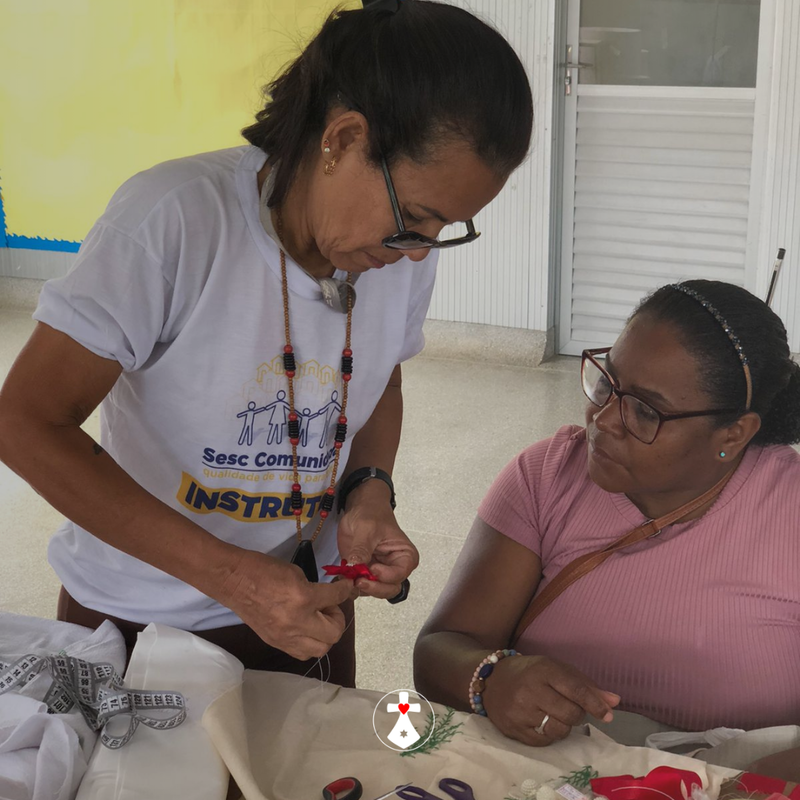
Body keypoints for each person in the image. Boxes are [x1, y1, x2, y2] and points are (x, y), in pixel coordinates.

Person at [0, 0, 533, 686]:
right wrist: (231, 579)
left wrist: (368, 493)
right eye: (417, 220)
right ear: (343, 139)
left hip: (300, 611)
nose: (418, 254)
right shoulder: (176, 222)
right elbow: (24, 422)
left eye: (445, 230)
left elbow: (379, 377)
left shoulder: (395, 256)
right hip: (140, 621)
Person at [414, 280, 800, 777]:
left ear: (734, 433)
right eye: (606, 382)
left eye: (646, 410)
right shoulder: (546, 477)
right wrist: (491, 678)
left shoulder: (787, 510)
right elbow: (437, 651)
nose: (603, 419)